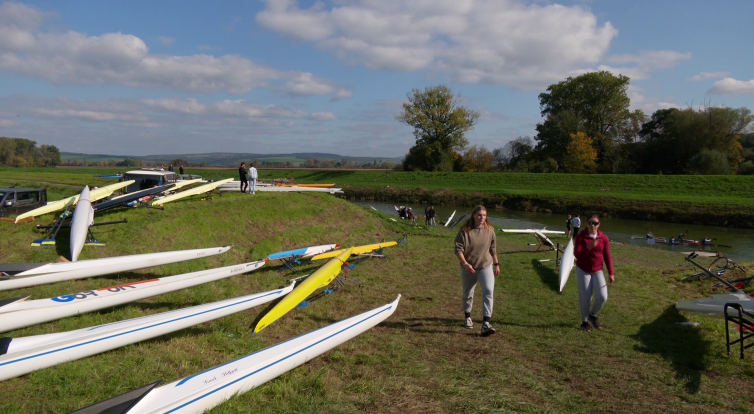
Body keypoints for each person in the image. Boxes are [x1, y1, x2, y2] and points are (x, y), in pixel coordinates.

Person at [454, 205, 500, 336]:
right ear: (473, 215)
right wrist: (465, 263)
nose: (482, 218)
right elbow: (458, 249)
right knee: (468, 293)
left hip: (485, 266)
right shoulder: (465, 231)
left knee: (489, 291)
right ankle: (467, 317)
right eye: (479, 215)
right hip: (469, 267)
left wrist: (497, 264)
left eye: (484, 215)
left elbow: (493, 249)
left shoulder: (490, 231)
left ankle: (486, 323)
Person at [573, 215, 614, 332]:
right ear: (587, 224)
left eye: (596, 224)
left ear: (599, 225)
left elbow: (607, 256)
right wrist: (589, 247)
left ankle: (593, 315)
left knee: (603, 296)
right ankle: (584, 322)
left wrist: (611, 273)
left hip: (597, 270)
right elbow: (577, 255)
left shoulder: (603, 238)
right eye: (591, 223)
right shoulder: (581, 237)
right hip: (583, 270)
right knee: (586, 297)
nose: (593, 226)